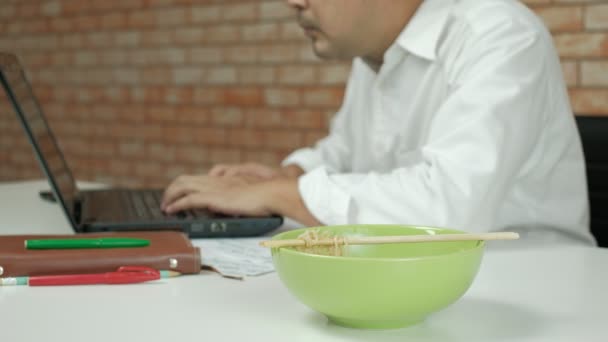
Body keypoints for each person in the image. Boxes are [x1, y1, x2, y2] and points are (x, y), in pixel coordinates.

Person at [161, 0, 596, 245]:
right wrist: (290, 175)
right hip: (413, 285)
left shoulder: (499, 36)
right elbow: (344, 156)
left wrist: (283, 195)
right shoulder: (374, 59)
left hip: (536, 289)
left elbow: (449, 210)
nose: (293, 2)